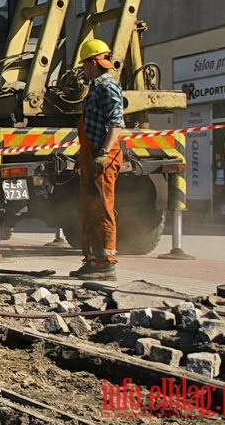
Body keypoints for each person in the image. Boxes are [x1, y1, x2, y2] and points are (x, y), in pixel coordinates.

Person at [70, 39, 124, 281]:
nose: (82, 69)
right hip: (91, 154)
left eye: (84, 64)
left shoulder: (108, 87)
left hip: (103, 155)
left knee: (102, 208)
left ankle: (106, 263)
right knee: (88, 209)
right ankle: (92, 260)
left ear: (93, 63)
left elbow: (116, 123)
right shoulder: (95, 87)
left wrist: (103, 152)